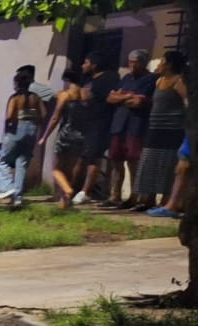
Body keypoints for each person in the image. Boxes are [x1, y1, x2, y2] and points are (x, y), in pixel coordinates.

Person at [98, 49, 156, 210]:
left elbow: (138, 102)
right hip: (119, 124)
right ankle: (114, 195)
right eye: (130, 62)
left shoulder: (151, 79)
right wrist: (127, 96)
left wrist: (122, 97)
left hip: (136, 125)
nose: (132, 65)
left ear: (143, 63)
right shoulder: (126, 78)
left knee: (133, 161)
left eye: (135, 62)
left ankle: (135, 196)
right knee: (116, 159)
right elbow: (110, 98)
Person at [136, 51, 187, 214]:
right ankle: (148, 199)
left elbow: (187, 102)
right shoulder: (158, 81)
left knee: (167, 164)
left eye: (162, 61)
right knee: (149, 161)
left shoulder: (178, 81)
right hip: (155, 128)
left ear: (169, 64)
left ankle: (166, 201)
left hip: (171, 129)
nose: (159, 64)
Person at [73, 52, 119, 205]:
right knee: (82, 157)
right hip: (86, 123)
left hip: (100, 123)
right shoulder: (87, 79)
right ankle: (72, 189)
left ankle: (85, 192)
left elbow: (108, 98)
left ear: (94, 64)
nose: (83, 65)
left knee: (93, 157)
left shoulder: (108, 79)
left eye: (86, 62)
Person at [0, 67, 46, 207]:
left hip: (16, 130)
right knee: (22, 164)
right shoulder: (36, 97)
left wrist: (7, 130)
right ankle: (18, 198)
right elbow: (43, 114)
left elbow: (9, 116)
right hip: (31, 132)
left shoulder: (15, 98)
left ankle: (7, 187)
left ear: (17, 83)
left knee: (3, 161)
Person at [39, 68, 88, 208]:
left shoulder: (65, 95)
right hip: (81, 135)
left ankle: (67, 190)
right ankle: (64, 201)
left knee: (56, 168)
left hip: (66, 134)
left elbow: (55, 118)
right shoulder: (85, 94)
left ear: (67, 80)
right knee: (70, 169)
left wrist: (44, 136)